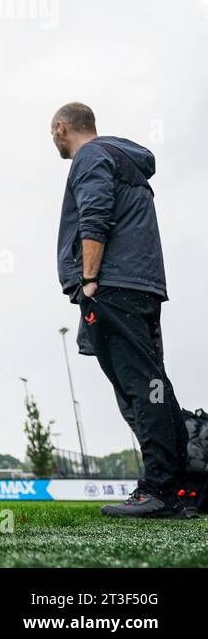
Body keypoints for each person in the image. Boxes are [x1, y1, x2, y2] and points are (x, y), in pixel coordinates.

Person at [51, 102, 195, 518]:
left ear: (61, 128)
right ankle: (179, 487)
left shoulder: (92, 156)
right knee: (151, 384)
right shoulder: (123, 159)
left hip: (113, 286)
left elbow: (94, 216)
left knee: (139, 387)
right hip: (141, 285)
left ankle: (160, 489)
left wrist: (90, 279)